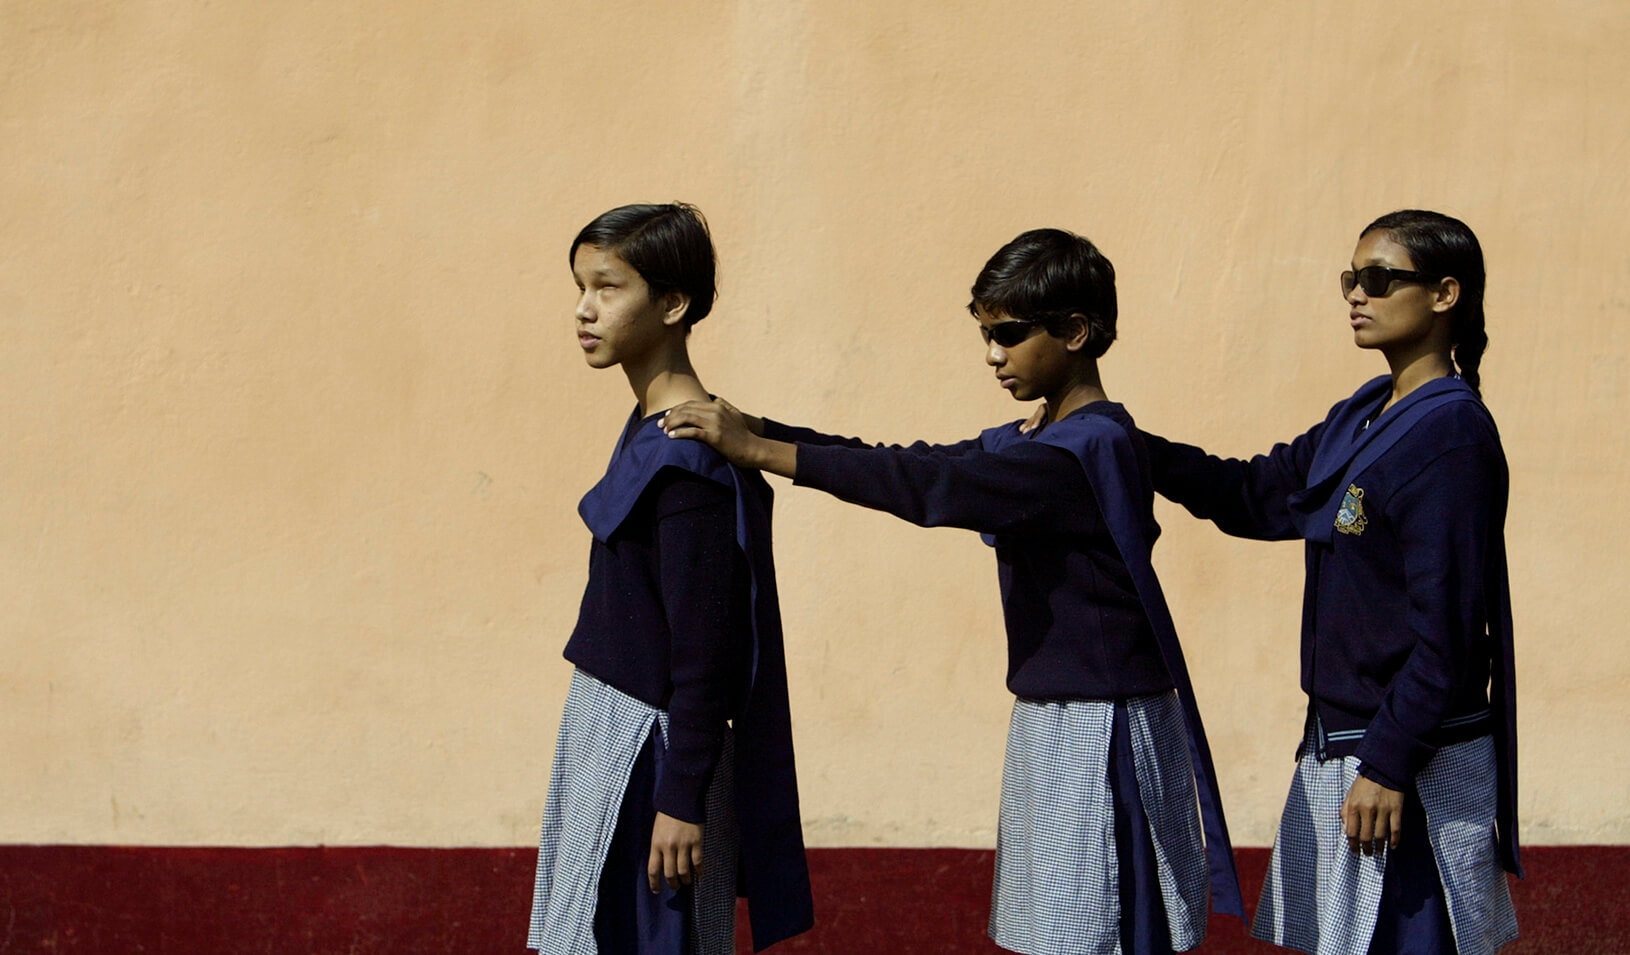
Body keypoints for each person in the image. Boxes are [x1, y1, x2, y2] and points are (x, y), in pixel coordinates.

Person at [661, 228, 1243, 955]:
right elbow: (905, 461)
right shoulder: (1039, 438)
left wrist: (762, 452)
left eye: (1008, 333)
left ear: (1074, 331)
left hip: (1102, 731)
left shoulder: (1082, 452)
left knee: (1105, 934)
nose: (992, 354)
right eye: (985, 334)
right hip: (1058, 720)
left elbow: (931, 486)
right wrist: (763, 428)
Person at [1140, 210, 1520, 955]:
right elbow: (1255, 493)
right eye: (1351, 278)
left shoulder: (1452, 435)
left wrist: (1387, 763)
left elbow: (1445, 631)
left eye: (1379, 279)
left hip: (1409, 761)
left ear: (1445, 294)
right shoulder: (1363, 414)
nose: (1356, 294)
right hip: (1345, 744)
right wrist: (1126, 445)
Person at [527, 202, 813, 955]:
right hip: (609, 732)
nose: (585, 310)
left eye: (608, 287)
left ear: (672, 303)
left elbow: (704, 649)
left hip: (650, 753)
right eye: (581, 287)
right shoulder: (652, 427)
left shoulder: (687, 460)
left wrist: (681, 796)